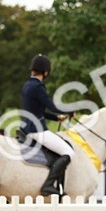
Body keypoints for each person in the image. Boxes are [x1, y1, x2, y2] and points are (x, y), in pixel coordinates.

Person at [19, 54, 73, 196]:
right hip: (37, 131)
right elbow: (52, 106)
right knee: (68, 152)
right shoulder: (37, 87)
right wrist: (70, 110)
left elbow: (38, 110)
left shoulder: (27, 85)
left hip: (26, 127)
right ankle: (48, 185)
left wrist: (56, 118)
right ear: (46, 72)